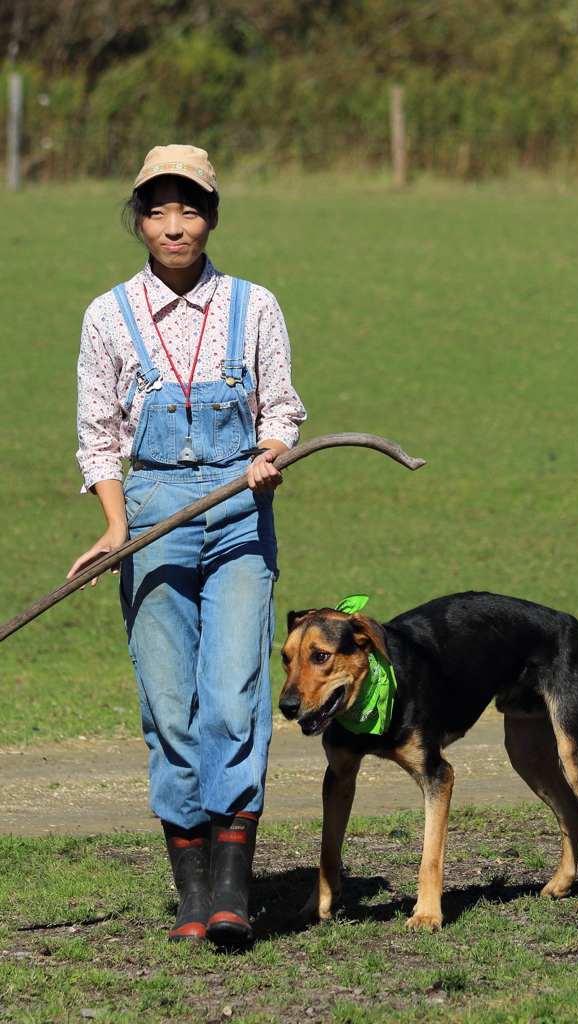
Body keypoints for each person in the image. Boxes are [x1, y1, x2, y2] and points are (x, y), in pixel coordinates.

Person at [67, 145, 306, 945]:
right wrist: (114, 527)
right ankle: (192, 897)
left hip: (240, 509)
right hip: (152, 512)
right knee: (171, 706)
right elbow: (98, 437)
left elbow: (283, 409)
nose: (175, 225)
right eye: (158, 209)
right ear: (138, 218)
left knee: (234, 697)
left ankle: (234, 893)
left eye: (190, 207)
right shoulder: (108, 315)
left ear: (212, 214)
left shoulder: (254, 305)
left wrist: (268, 457)